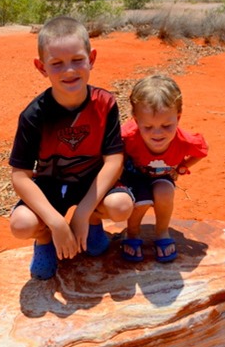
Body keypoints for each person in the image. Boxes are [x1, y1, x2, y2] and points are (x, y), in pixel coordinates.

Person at [9, 16, 134, 279]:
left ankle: (92, 223)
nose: (69, 71)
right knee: (21, 224)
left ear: (92, 58)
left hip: (91, 183)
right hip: (51, 184)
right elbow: (20, 175)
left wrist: (84, 212)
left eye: (78, 59)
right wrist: (55, 224)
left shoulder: (104, 103)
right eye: (57, 63)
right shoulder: (34, 115)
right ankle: (44, 240)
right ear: (41, 67)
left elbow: (114, 159)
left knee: (121, 205)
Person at [120, 74, 208, 262]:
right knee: (140, 201)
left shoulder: (184, 140)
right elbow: (111, 153)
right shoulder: (127, 136)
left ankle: (162, 231)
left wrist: (182, 168)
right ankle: (133, 233)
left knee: (165, 192)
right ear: (135, 120)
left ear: (178, 116)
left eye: (167, 125)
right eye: (148, 127)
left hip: (162, 175)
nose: (157, 133)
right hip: (134, 176)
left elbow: (201, 150)